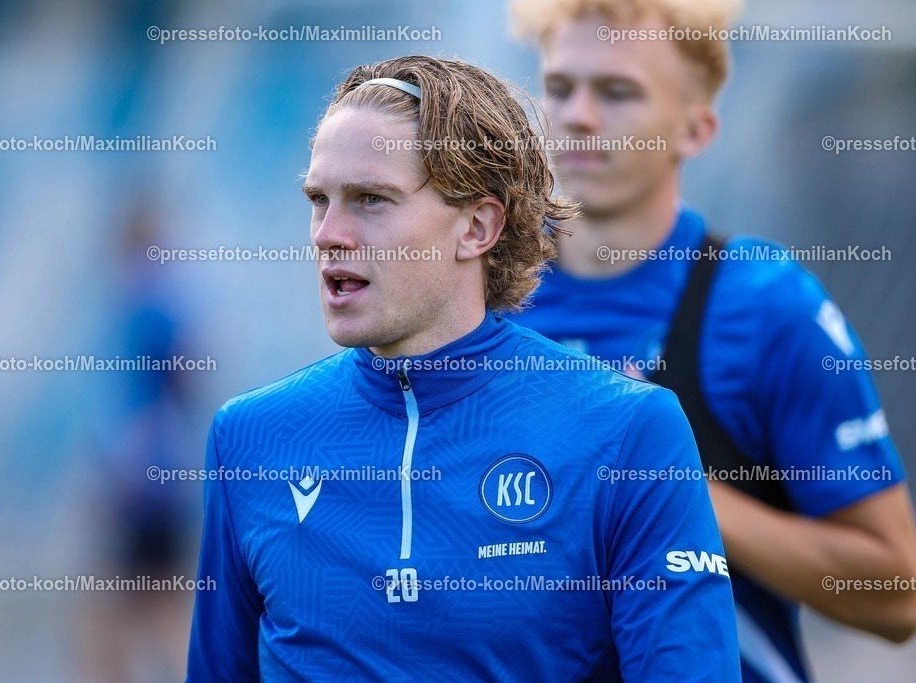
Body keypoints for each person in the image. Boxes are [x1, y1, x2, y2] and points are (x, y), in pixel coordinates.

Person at [185, 55, 740, 681]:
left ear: (477, 226)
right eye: (320, 200)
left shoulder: (628, 430)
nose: (328, 233)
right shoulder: (249, 437)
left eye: (371, 199)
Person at [508, 1, 916, 681]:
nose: (577, 115)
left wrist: (678, 485)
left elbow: (895, 595)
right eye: (559, 87)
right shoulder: (475, 299)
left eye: (617, 92)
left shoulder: (761, 305)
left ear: (695, 129)